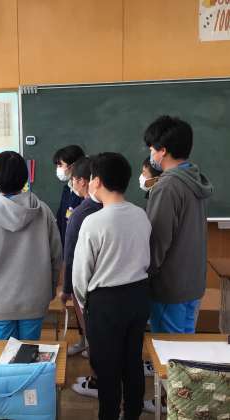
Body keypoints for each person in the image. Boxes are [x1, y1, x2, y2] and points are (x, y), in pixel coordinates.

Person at [142, 116, 213, 413]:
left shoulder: (168, 186)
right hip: (193, 281)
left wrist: (145, 275)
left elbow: (157, 242)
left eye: (152, 148)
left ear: (163, 150)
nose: (150, 154)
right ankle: (186, 405)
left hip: (170, 286)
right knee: (185, 351)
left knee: (171, 356)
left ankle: (174, 407)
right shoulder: (195, 179)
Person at [73, 152, 151, 420]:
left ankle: (108, 415)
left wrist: (85, 303)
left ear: (97, 181)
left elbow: (81, 274)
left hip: (106, 302)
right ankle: (132, 414)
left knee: (107, 368)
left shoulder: (93, 222)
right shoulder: (141, 215)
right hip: (138, 296)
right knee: (132, 361)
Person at [0, 151, 62, 340]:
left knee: (4, 355)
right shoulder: (44, 212)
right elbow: (56, 257)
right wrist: (49, 290)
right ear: (24, 178)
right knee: (28, 352)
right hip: (34, 300)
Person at [58, 156, 103, 397]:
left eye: (73, 179)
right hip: (109, 286)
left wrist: (66, 289)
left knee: (94, 335)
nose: (72, 184)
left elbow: (70, 257)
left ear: (85, 181)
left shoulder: (81, 213)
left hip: (84, 285)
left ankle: (97, 380)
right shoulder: (112, 207)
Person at [53, 145, 85, 247]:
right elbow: (61, 218)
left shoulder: (85, 193)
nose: (58, 169)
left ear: (73, 166)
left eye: (60, 165)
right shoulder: (67, 189)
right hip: (64, 245)